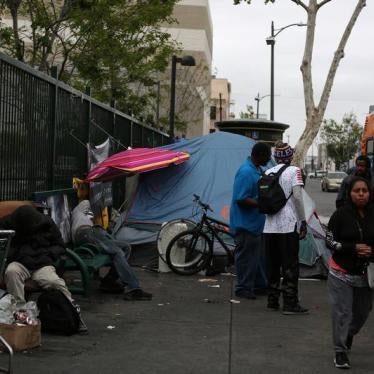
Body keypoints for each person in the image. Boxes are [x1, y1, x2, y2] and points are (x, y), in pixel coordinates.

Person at [0, 205, 88, 333]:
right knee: (11, 272)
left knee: (55, 282)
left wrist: (47, 255)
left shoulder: (46, 225)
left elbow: (59, 245)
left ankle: (74, 313)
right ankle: (20, 314)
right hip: (20, 262)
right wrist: (17, 254)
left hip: (42, 263)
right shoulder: (9, 223)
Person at [326, 176, 374, 369]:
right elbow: (329, 241)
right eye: (357, 191)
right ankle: (340, 352)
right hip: (341, 273)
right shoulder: (340, 215)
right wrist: (352, 248)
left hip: (366, 274)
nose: (361, 194)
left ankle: (348, 334)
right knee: (342, 313)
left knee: (362, 313)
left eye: (365, 190)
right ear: (349, 193)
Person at [71, 199, 152, 301]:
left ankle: (109, 280)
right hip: (84, 233)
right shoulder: (78, 212)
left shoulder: (88, 218)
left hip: (94, 231)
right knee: (116, 251)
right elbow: (85, 202)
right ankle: (133, 288)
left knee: (126, 247)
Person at [263, 141, 308, 314]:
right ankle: (290, 303)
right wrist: (302, 221)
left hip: (269, 226)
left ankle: (272, 300)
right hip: (288, 226)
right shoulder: (294, 171)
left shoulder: (267, 172)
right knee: (290, 265)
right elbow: (297, 197)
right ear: (290, 156)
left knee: (273, 265)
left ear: (275, 157)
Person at [230, 142, 271, 299]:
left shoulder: (257, 170)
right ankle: (243, 287)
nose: (269, 159)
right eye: (267, 156)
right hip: (245, 225)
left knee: (258, 258)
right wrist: (262, 203)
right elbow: (241, 199)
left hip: (255, 224)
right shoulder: (246, 172)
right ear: (259, 155)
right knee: (246, 258)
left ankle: (260, 285)